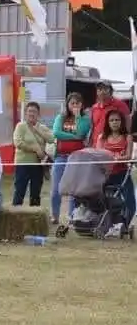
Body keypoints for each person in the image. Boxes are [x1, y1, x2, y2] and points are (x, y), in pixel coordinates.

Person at [50, 92, 91, 224]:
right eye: (72, 103)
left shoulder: (85, 119)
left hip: (77, 157)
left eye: (77, 103)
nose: (75, 106)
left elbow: (81, 132)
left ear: (82, 105)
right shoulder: (61, 117)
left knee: (74, 189)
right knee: (56, 188)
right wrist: (74, 137)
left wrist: (78, 118)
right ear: (67, 104)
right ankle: (55, 215)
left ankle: (72, 216)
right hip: (61, 156)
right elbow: (56, 133)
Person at [95, 108, 135, 234]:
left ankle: (125, 225)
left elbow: (128, 156)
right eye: (111, 120)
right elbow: (98, 155)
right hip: (106, 175)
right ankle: (104, 224)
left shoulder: (127, 137)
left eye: (117, 120)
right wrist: (114, 157)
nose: (114, 122)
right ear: (108, 122)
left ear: (121, 122)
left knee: (130, 202)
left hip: (122, 174)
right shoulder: (102, 137)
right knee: (104, 201)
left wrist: (114, 158)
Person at [11, 100, 53, 207]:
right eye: (29, 111)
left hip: (38, 165)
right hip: (22, 163)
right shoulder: (20, 126)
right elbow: (18, 143)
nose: (31, 113)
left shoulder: (42, 127)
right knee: (19, 191)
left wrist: (38, 130)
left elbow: (52, 139)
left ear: (38, 114)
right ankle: (15, 213)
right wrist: (35, 149)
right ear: (26, 113)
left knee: (35, 193)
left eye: (34, 111)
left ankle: (35, 214)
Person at [90, 81, 129, 146]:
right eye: (100, 89)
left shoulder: (120, 105)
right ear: (97, 92)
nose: (102, 92)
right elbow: (93, 127)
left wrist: (124, 142)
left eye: (105, 89)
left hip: (112, 145)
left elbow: (128, 124)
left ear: (111, 91)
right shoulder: (94, 107)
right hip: (96, 145)